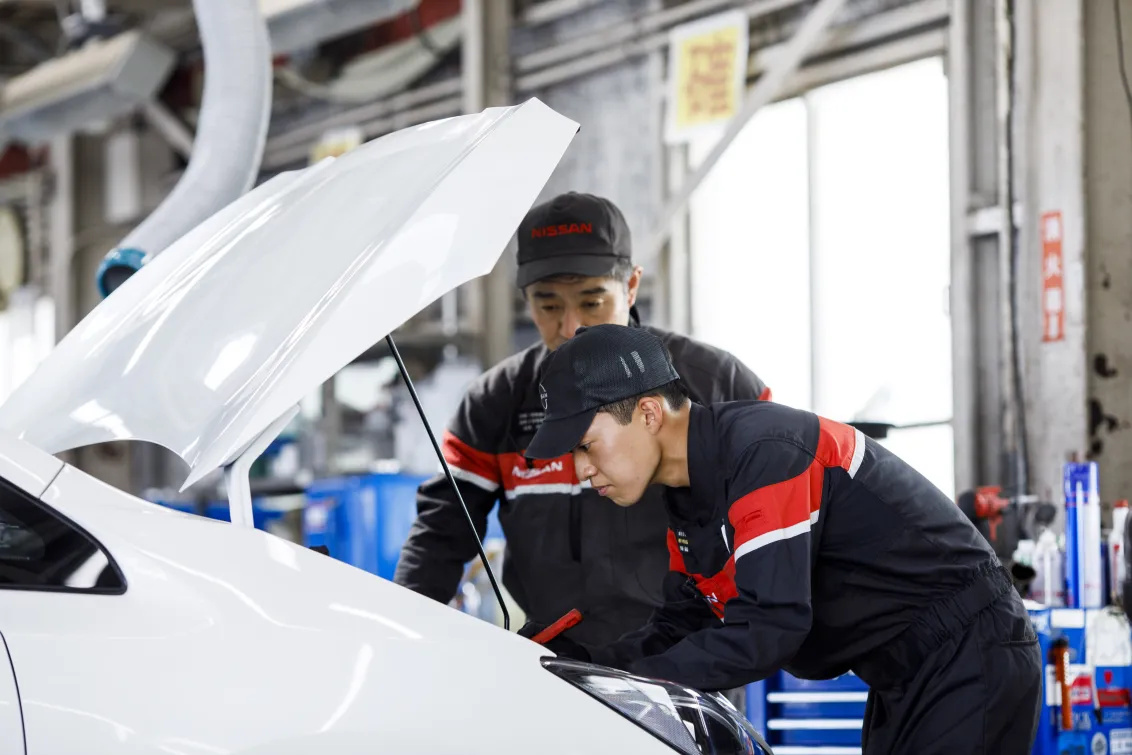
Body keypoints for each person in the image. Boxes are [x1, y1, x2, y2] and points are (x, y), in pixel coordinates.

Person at [522, 323, 1042, 755]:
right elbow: (686, 620)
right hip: (903, 674)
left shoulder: (766, 453)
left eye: (586, 445)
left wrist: (624, 687)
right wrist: (587, 667)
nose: (582, 470)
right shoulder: (688, 499)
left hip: (972, 650)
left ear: (650, 413)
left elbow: (769, 629)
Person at [393, 192, 772, 648]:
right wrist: (400, 637)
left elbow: (773, 526)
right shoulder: (493, 404)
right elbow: (440, 536)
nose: (570, 327)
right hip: (552, 669)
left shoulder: (719, 386)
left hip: (690, 666)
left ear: (631, 287)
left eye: (592, 303)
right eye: (548, 306)